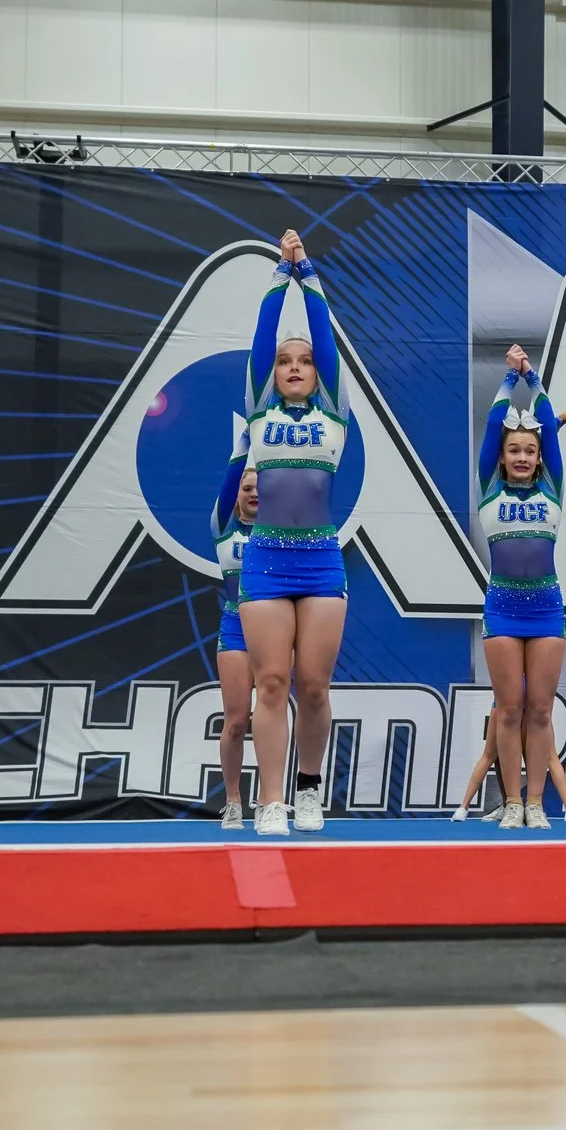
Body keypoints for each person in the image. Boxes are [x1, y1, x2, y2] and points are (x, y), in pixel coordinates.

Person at [237, 228, 350, 836]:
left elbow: (327, 342)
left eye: (303, 361)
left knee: (313, 687)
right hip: (265, 559)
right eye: (285, 362)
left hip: (321, 561)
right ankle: (271, 800)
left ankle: (309, 789)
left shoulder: (334, 411)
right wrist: (280, 277)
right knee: (272, 682)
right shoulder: (260, 410)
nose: (295, 367)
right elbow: (262, 342)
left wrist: (309, 274)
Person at [476, 346, 566, 829]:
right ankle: (512, 801)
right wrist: (508, 380)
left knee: (541, 710)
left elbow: (549, 427)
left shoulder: (552, 488)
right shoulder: (489, 488)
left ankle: (535, 802)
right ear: (502, 456)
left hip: (547, 608)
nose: (522, 457)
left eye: (529, 451)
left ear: (539, 458)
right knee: (509, 710)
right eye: (514, 450)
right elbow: (493, 425)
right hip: (503, 606)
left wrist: (533, 377)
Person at [209, 422, 258, 830]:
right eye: (247, 488)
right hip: (236, 628)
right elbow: (229, 481)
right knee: (237, 720)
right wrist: (246, 438)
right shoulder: (223, 529)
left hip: (275, 631)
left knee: (275, 715)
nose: (255, 492)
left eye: (262, 488)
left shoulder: (282, 532)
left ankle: (274, 797)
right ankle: (233, 801)